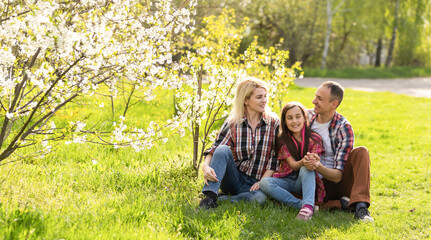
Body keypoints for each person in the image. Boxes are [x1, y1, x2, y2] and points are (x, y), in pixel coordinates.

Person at [199, 77, 279, 209]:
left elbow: (274, 157)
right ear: (246, 100)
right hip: (234, 178)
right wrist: (205, 167)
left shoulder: (273, 123)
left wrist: (262, 181)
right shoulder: (233, 122)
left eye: (265, 96)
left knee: (260, 199)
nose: (264, 100)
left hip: (256, 182)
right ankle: (210, 197)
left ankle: (222, 199)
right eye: (259, 97)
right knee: (223, 149)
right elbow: (216, 149)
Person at [304, 81, 373, 221]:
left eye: (320, 99)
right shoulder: (305, 117)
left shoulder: (343, 127)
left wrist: (318, 166)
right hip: (310, 181)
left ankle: (361, 208)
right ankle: (340, 204)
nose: (313, 101)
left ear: (333, 104)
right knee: (276, 192)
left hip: (335, 183)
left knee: (361, 152)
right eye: (315, 96)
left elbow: (337, 176)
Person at [260, 102, 325, 221]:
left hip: (304, 180)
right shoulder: (283, 140)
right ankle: (305, 206)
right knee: (264, 183)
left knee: (307, 168)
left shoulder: (314, 138)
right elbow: (294, 165)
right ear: (284, 122)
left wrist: (312, 160)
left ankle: (306, 209)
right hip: (286, 180)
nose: (294, 121)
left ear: (304, 118)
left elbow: (314, 161)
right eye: (289, 118)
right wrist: (304, 161)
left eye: (298, 116)